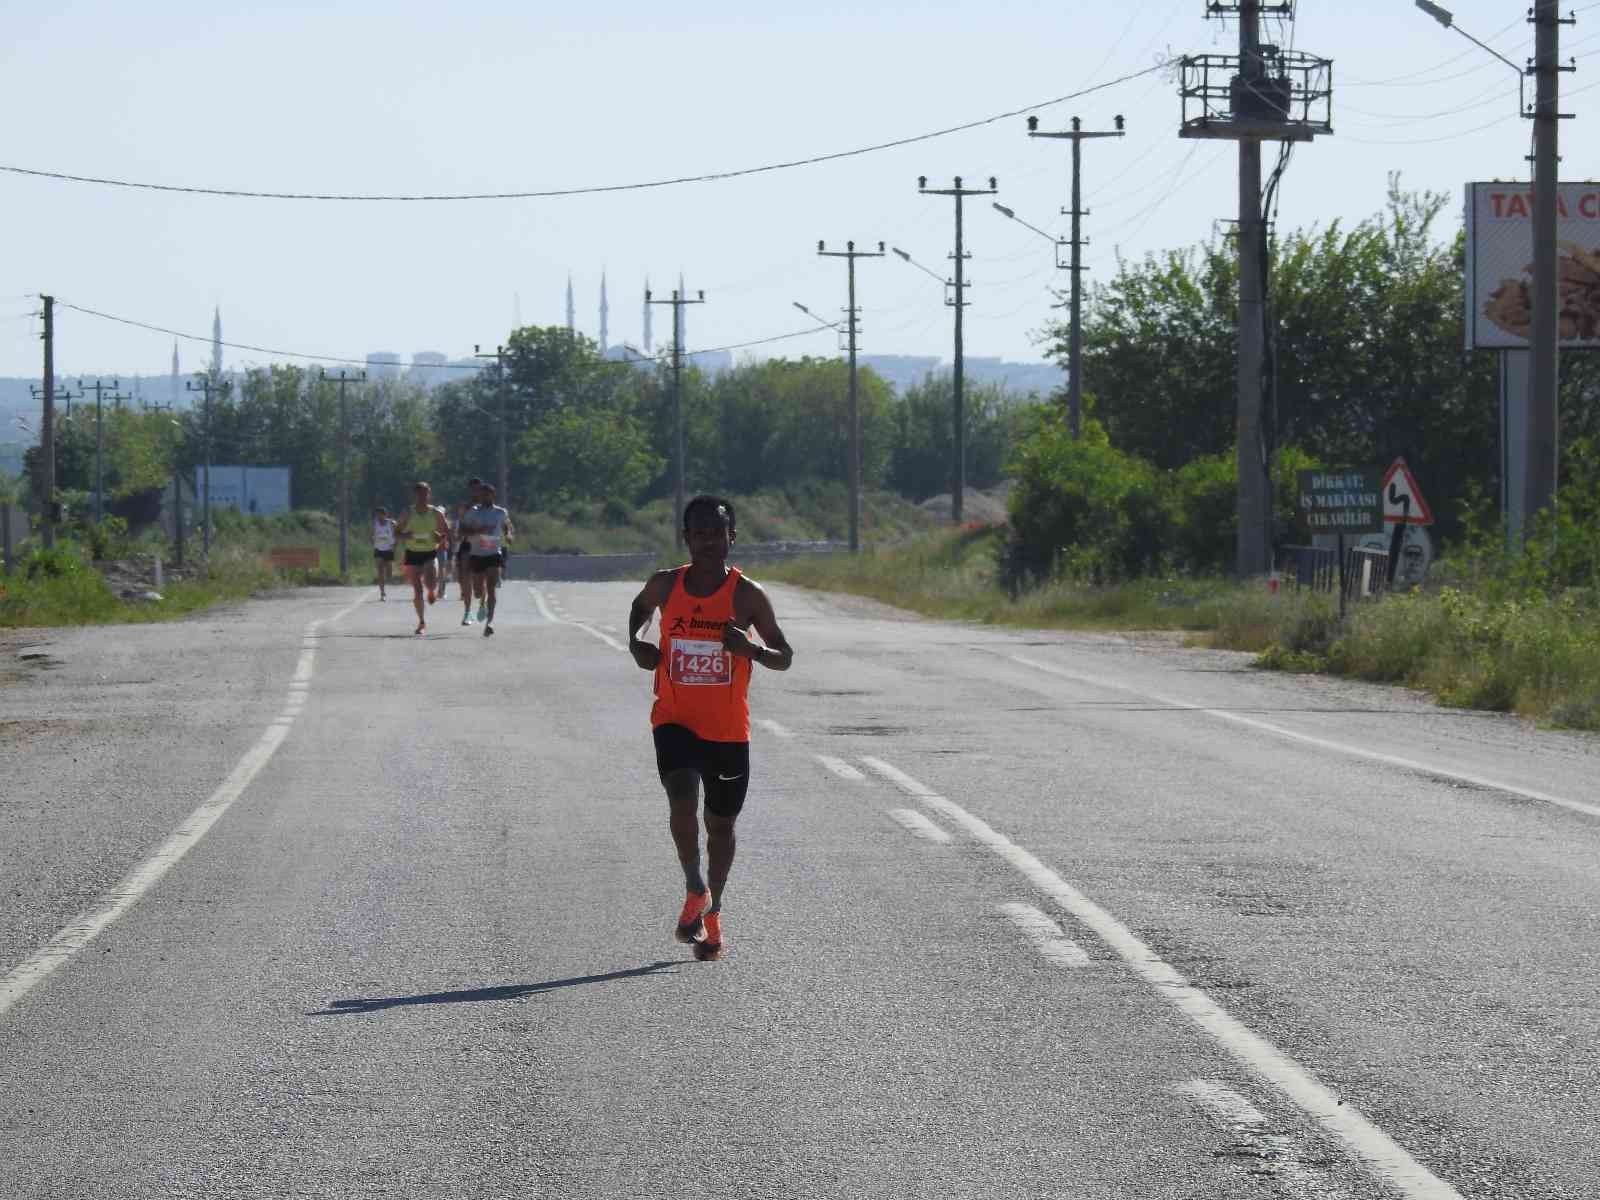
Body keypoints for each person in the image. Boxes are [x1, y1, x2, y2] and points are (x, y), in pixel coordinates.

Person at [627, 495, 794, 961]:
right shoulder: (665, 584)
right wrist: (636, 642)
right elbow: (639, 610)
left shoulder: (747, 596)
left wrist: (751, 650)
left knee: (720, 827)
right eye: (698, 533)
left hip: (727, 731)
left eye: (716, 533)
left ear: (731, 537)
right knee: (681, 797)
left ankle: (714, 909)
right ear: (687, 538)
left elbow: (784, 655)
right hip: (674, 718)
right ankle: (693, 884)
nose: (707, 541)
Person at [393, 481, 450, 635]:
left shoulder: (436, 513)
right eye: (419, 493)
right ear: (415, 495)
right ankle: (422, 622)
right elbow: (396, 532)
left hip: (430, 552)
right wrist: (405, 535)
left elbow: (446, 531)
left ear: (429, 494)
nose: (422, 496)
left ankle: (431, 590)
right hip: (412, 553)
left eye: (425, 493)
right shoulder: (408, 513)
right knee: (417, 590)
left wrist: (441, 538)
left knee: (431, 580)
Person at [461, 483, 511, 637]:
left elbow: (507, 526)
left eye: (488, 494)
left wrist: (509, 535)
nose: (485, 497)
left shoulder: (500, 512)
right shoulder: (473, 512)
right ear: (479, 496)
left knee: (491, 587)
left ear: (493, 495)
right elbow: (462, 530)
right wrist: (477, 531)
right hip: (477, 554)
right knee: (477, 591)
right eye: (482, 495)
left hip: (493, 553)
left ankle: (489, 623)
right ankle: (481, 602)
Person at [455, 478, 484, 626]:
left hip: (484, 545)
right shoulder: (464, 507)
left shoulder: (488, 507)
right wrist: (459, 534)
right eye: (473, 489)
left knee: (479, 586)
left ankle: (482, 602)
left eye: (478, 489)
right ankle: (467, 612)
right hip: (467, 544)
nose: (475, 492)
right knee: (465, 577)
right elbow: (460, 527)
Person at [371, 506, 397, 600]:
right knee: (380, 571)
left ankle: (388, 579)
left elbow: (396, 534)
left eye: (381, 514)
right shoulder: (375, 523)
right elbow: (371, 533)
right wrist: (372, 539)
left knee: (389, 571)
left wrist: (394, 545)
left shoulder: (391, 523)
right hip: (378, 549)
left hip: (389, 549)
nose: (379, 516)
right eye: (377, 514)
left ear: (385, 515)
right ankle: (382, 593)